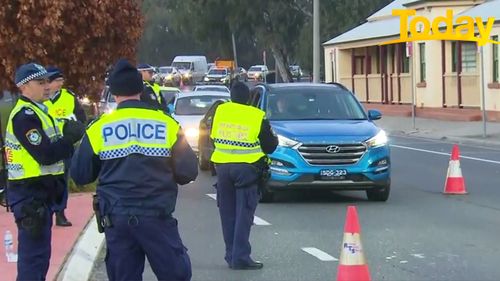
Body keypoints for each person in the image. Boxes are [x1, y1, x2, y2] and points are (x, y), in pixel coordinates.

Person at [71, 59, 198, 281]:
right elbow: (188, 171)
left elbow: (81, 175)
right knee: (176, 275)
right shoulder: (166, 123)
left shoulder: (99, 128)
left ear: (114, 91)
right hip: (156, 216)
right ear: (141, 89)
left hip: (117, 218)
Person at [5, 63, 85, 280]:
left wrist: (71, 130)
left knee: (40, 258)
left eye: (47, 82)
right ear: (24, 87)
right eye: (41, 83)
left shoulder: (41, 111)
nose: (47, 87)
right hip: (30, 195)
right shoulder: (25, 116)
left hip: (40, 195)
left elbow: (59, 133)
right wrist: (69, 140)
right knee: (33, 260)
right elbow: (45, 154)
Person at [210, 82, 278, 270]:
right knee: (243, 214)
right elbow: (270, 146)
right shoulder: (256, 115)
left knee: (227, 213)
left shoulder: (220, 111)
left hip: (222, 167)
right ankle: (240, 257)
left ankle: (231, 254)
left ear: (231, 96)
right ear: (248, 98)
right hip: (247, 169)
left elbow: (212, 136)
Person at [44, 66, 87, 227]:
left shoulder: (69, 97)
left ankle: (60, 212)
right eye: (57, 81)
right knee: (48, 180)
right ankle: (47, 210)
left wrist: (74, 127)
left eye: (61, 80)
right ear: (49, 81)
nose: (60, 84)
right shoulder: (41, 98)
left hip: (65, 144)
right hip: (46, 145)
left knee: (62, 179)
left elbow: (81, 117)